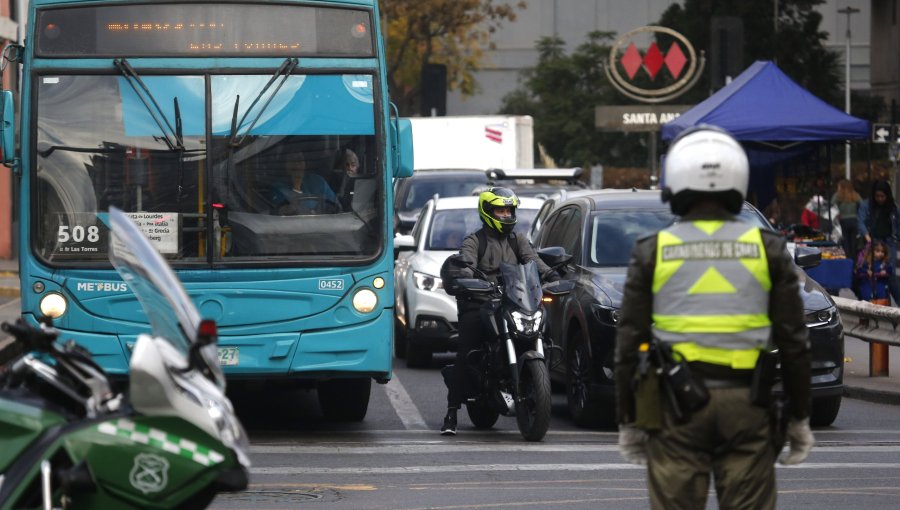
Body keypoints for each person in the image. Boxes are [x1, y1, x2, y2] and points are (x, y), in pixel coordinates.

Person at [615, 126, 814, 509]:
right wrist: (799, 417)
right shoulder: (768, 249)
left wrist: (629, 419)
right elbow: (794, 341)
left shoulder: (653, 250)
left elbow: (629, 341)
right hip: (748, 404)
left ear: (676, 182)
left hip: (676, 407)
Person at [440, 187, 559, 435]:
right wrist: (466, 276)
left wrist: (551, 275)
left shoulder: (518, 240)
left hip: (514, 299)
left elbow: (532, 261)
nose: (506, 215)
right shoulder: (475, 240)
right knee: (467, 347)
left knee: (543, 330)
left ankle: (532, 382)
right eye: (500, 210)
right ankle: (451, 412)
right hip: (480, 301)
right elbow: (466, 262)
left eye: (509, 211)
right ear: (487, 211)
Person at [857, 180, 900, 305]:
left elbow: (898, 225)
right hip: (873, 242)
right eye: (877, 196)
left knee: (889, 273)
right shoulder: (866, 205)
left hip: (889, 242)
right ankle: (881, 301)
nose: (880, 199)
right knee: (872, 271)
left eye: (882, 196)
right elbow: (860, 221)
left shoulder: (893, 207)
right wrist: (868, 237)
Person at [268, 154, 338, 215]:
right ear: (285, 165)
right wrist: (296, 186)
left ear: (305, 164)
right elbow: (284, 212)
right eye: (293, 161)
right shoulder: (277, 188)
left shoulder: (317, 180)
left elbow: (335, 205)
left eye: (299, 160)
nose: (297, 165)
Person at [832, 178, 862, 261]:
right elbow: (862, 205)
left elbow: (832, 205)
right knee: (854, 242)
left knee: (845, 241)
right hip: (854, 220)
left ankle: (847, 259)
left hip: (843, 221)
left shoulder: (838, 195)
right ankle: (854, 260)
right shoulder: (855, 195)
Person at [856, 240, 893, 305]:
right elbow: (859, 271)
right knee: (867, 296)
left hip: (880, 283)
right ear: (872, 251)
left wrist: (885, 272)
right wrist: (867, 271)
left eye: (882, 252)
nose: (880, 253)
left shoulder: (884, 263)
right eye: (878, 251)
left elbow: (889, 270)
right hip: (867, 283)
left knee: (882, 295)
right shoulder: (867, 262)